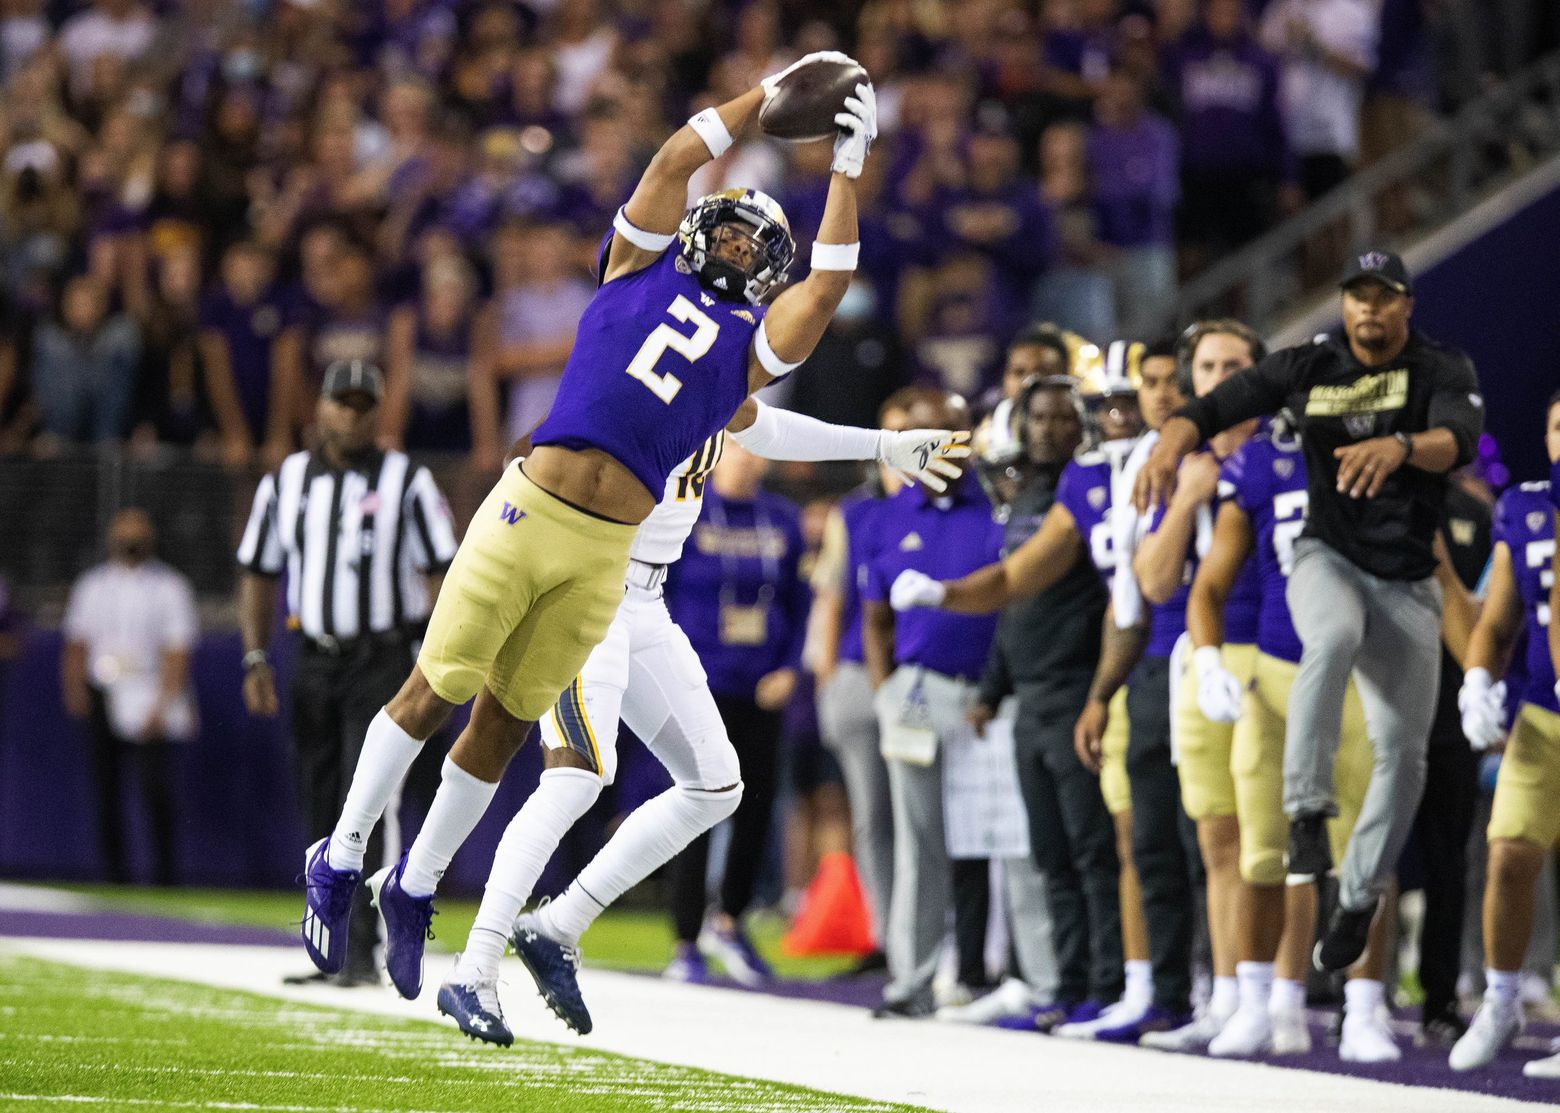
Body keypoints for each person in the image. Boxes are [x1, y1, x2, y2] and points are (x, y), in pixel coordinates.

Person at [298, 53, 884, 1003]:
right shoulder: (631, 266)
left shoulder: (745, 355)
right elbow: (671, 159)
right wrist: (766, 100)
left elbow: (823, 290)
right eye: (731, 228)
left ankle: (414, 887)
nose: (738, 247)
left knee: (501, 724)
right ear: (702, 227)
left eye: (754, 243)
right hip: (530, 506)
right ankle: (341, 854)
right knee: (434, 687)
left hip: (607, 553)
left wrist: (847, 175)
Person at [435, 395, 964, 1042]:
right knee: (574, 780)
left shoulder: (709, 365)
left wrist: (882, 446)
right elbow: (533, 448)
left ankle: (556, 925)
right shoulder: (639, 353)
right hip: (588, 584)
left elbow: (766, 428)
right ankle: (475, 966)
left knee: (716, 784)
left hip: (646, 599)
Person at [1134, 249, 1485, 979]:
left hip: (1409, 577)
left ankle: (1356, 899)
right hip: (1326, 557)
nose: (1369, 310)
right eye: (1358, 296)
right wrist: (1168, 444)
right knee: (1329, 634)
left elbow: (1460, 441)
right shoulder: (1309, 366)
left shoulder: (1439, 368)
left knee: (1405, 752)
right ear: (1345, 304)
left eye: (1384, 297)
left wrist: (1400, 446)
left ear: (1405, 307)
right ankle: (1305, 815)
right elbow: (1210, 409)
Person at [237, 359, 457, 987]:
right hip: (311, 656)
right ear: (321, 408)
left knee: (368, 801)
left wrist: (438, 660)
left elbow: (445, 572)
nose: (353, 415)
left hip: (382, 659)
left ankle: (365, 949)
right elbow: (258, 570)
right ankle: (325, 948)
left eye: (365, 404)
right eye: (343, 402)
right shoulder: (287, 482)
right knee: (317, 796)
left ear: (379, 412)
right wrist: (255, 656)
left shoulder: (407, 480)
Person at [1186, 417, 1385, 1060]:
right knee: (1265, 851)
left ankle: (1365, 1009)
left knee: (1363, 853)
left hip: (1358, 669)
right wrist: (1210, 656)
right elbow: (1212, 579)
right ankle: (1256, 1001)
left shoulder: (1386, 446)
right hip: (1275, 668)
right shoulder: (1260, 460)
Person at [952, 372, 1115, 1028]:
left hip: (1077, 691)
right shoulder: (1023, 500)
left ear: (1083, 426)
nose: (1050, 428)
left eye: (1062, 418)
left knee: (1092, 851)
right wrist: (994, 688)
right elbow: (1015, 611)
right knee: (1051, 853)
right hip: (1030, 700)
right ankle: (1068, 984)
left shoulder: (1086, 494)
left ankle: (1106, 985)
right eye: (1040, 418)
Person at [1130, 320, 1265, 1051]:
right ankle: (1227, 994)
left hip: (1274, 652)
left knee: (1276, 841)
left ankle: (1294, 995)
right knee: (1215, 840)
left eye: (1235, 364)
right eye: (1207, 365)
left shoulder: (1283, 450)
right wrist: (1186, 498)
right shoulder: (1183, 458)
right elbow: (1153, 582)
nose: (1219, 376)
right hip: (1201, 660)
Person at [863, 388, 999, 1019]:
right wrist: (884, 689)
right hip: (919, 690)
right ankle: (911, 981)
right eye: (926, 435)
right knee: (919, 839)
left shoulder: (1001, 502)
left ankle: (1023, 976)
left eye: (952, 430)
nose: (940, 445)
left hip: (997, 693)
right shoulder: (886, 516)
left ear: (969, 434)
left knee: (1005, 840)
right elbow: (874, 619)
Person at [662, 441, 810, 983]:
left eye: (757, 449)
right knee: (695, 807)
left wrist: (792, 666)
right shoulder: (685, 510)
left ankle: (730, 921)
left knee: (757, 806)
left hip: (763, 684)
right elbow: (660, 594)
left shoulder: (783, 519)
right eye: (738, 449)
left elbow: (800, 601)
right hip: (700, 683)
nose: (749, 459)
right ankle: (685, 940)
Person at [1448, 390, 1560, 1076]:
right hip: (1545, 710)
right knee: (1508, 852)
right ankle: (1501, 999)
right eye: (1558, 424)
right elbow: (1499, 615)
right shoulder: (1526, 506)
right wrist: (1479, 677)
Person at [62, 508, 198, 886]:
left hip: (148, 690)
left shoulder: (169, 586)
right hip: (103, 691)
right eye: (123, 535)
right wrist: (74, 689)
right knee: (106, 788)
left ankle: (164, 874)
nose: (130, 543)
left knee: (154, 788)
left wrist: (164, 702)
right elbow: (77, 643)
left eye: (137, 535)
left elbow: (177, 651)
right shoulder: (93, 585)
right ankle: (113, 874)